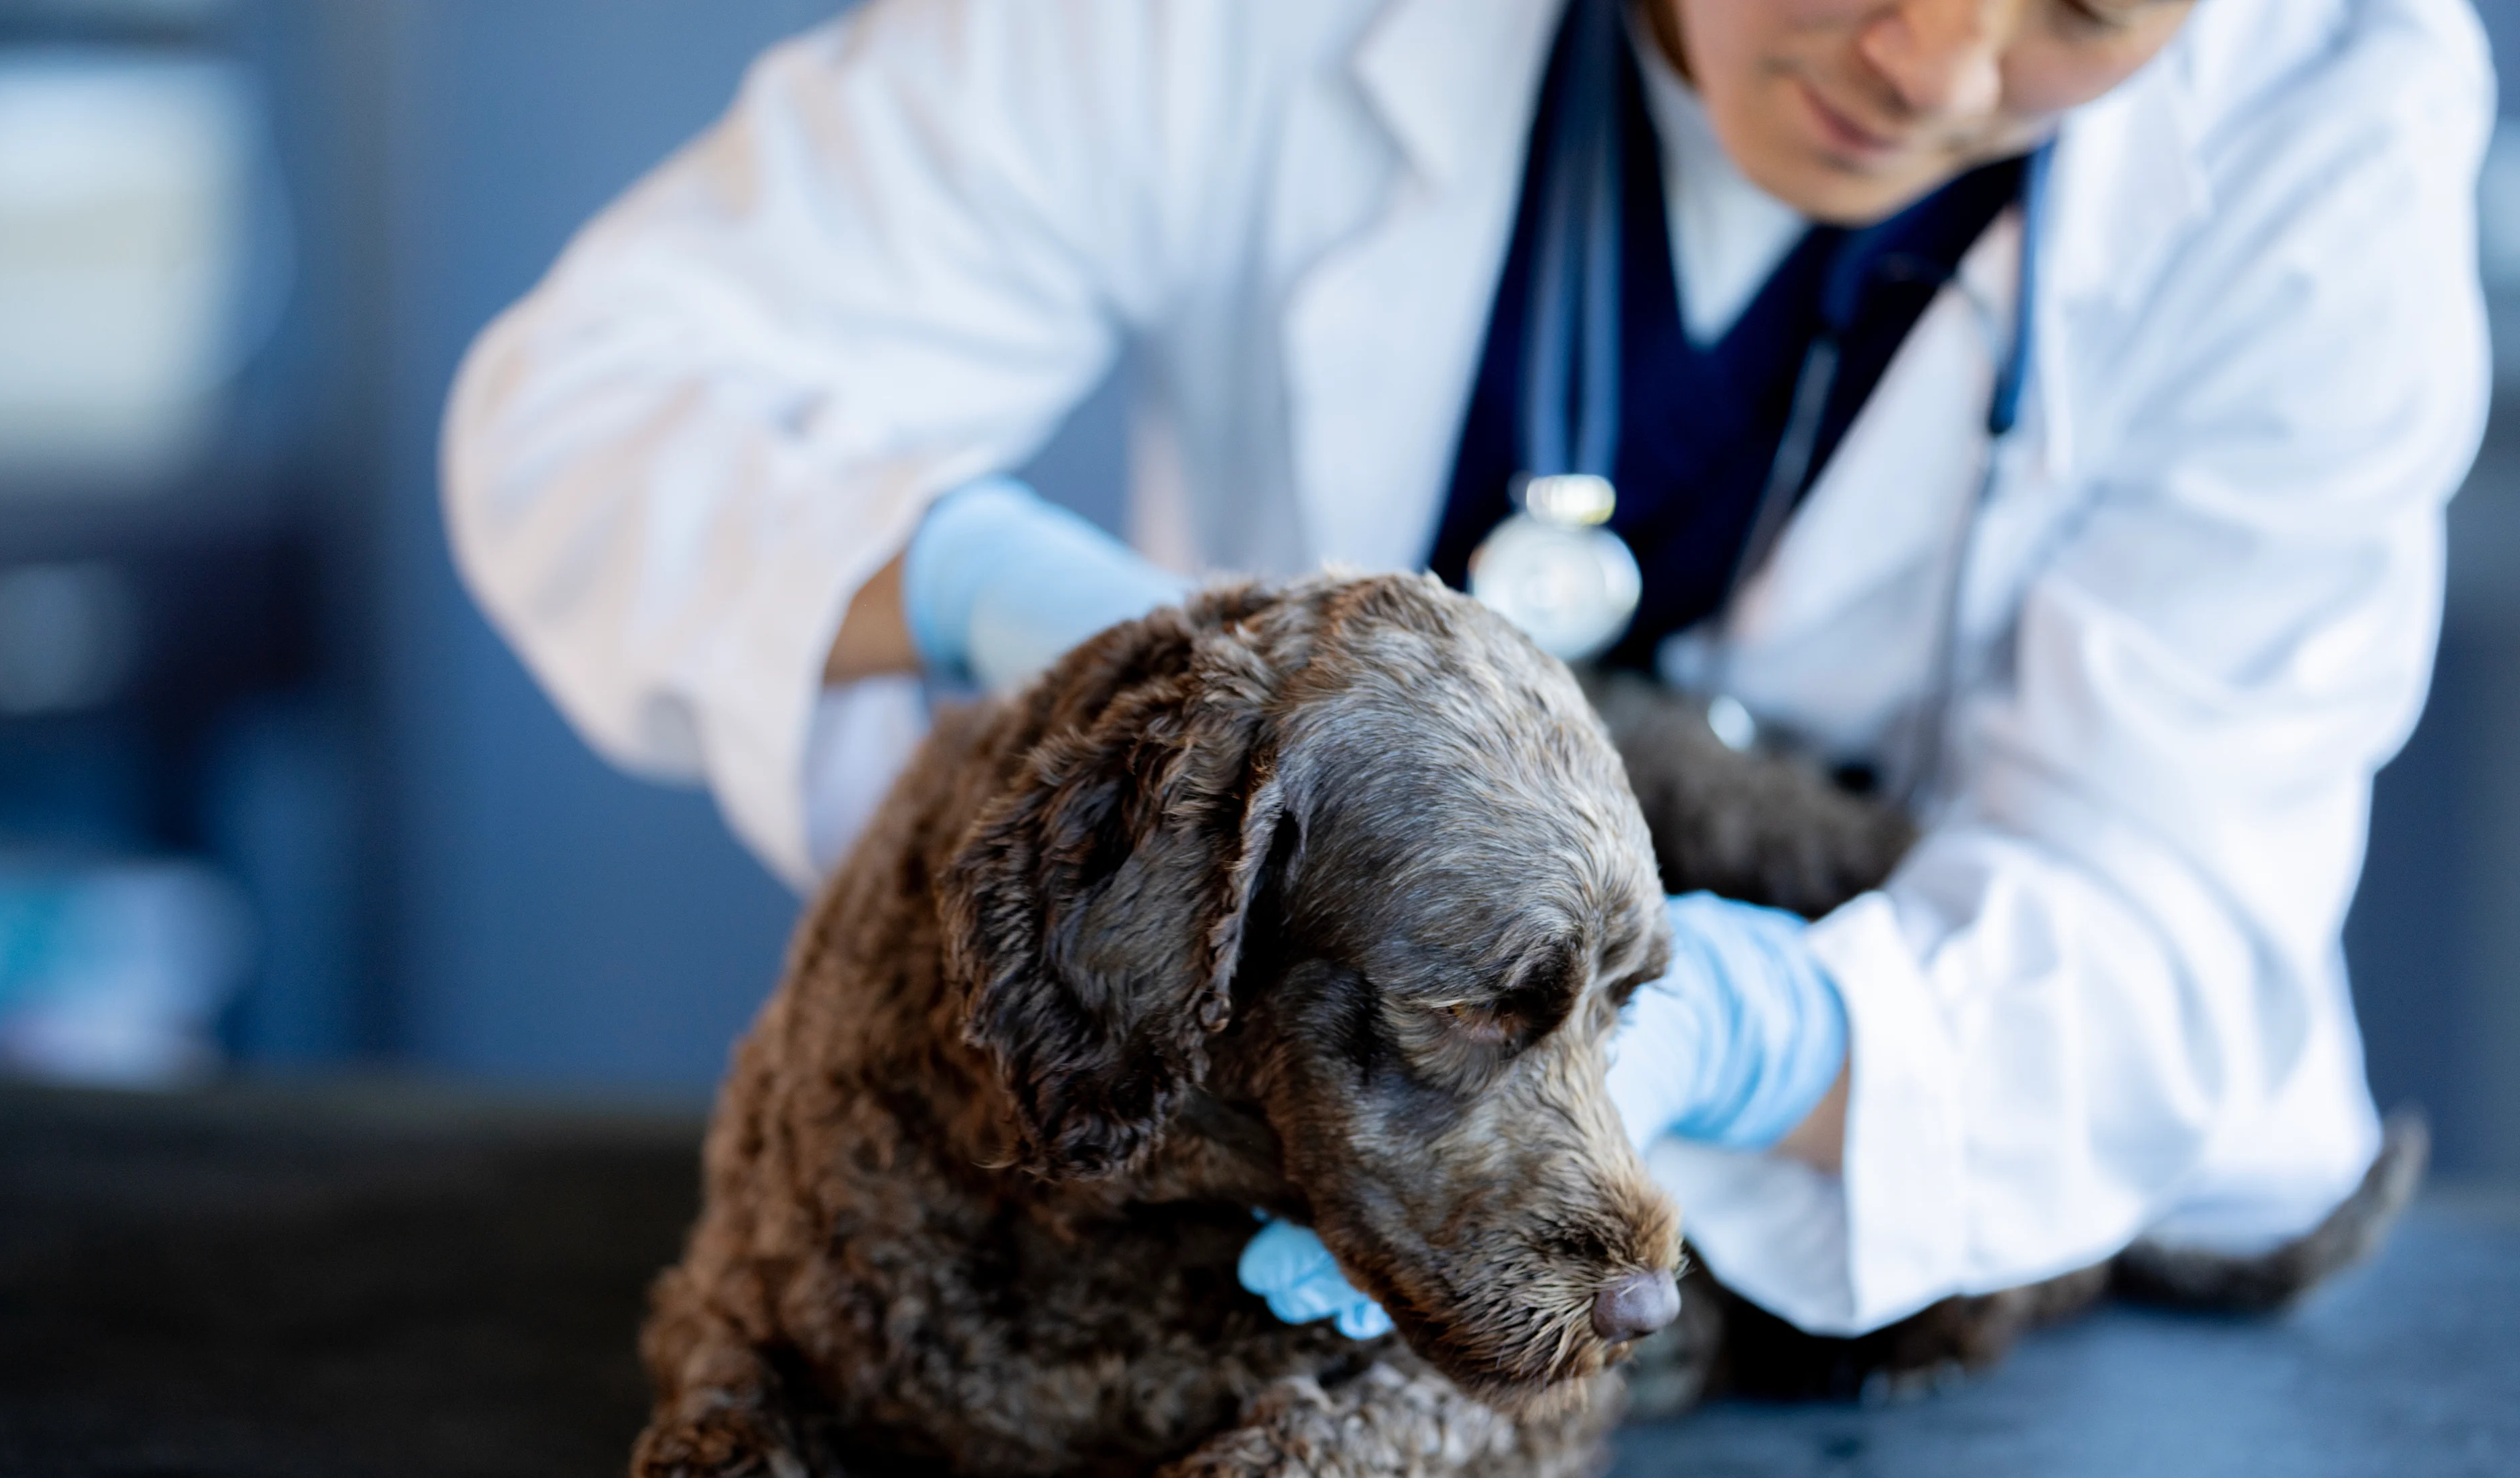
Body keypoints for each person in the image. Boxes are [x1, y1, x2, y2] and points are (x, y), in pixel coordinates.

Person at [441, 0, 2490, 1343]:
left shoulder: (2329, 116)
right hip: (1296, 1195)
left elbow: (2168, 927)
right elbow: (591, 414)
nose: (1932, 58)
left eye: (2082, 11)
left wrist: (1749, 1044)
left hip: (2011, 1190)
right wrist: (1038, 619)